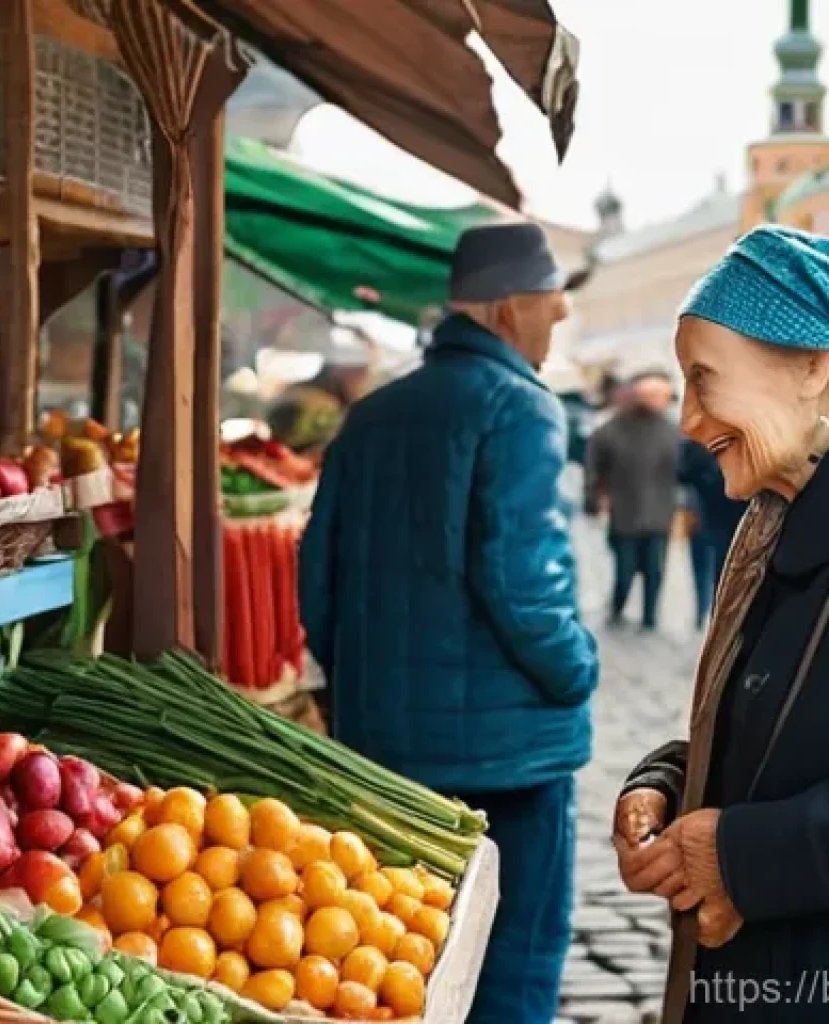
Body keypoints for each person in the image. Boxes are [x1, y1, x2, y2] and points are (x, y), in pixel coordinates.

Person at [299, 221, 599, 1023]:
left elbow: (317, 581)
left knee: (404, 957)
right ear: (506, 311)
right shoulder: (524, 409)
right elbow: (527, 586)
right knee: (515, 962)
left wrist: (356, 691)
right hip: (510, 761)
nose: (558, 320)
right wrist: (579, 669)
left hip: (387, 752)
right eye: (548, 305)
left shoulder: (370, 416)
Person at [613, 225, 829, 1023]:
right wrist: (667, 784)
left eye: (704, 379)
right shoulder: (770, 522)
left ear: (814, 367)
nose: (688, 419)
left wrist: (740, 857)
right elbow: (766, 735)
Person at [586, 371, 681, 630]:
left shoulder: (673, 432)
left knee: (654, 572)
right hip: (624, 514)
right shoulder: (610, 429)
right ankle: (617, 610)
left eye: (662, 395)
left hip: (660, 515)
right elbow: (594, 467)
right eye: (652, 395)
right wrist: (593, 500)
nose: (658, 400)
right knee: (624, 572)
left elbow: (686, 471)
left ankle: (650, 619)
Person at [679, 439, 747, 629]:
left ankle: (710, 614)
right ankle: (705, 612)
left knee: (719, 572)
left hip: (725, 521)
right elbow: (684, 473)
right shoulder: (699, 444)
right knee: (710, 570)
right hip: (706, 518)